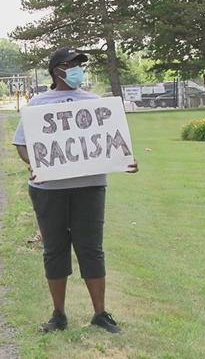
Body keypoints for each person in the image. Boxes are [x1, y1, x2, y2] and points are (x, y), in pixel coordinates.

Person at [12, 47, 138, 333]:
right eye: (71, 64)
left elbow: (112, 141)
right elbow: (21, 145)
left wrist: (126, 158)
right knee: (55, 249)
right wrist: (33, 163)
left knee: (91, 249)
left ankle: (100, 313)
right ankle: (58, 315)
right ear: (56, 70)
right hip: (48, 188)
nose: (77, 69)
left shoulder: (95, 103)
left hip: (90, 186)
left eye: (80, 64)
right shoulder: (37, 105)